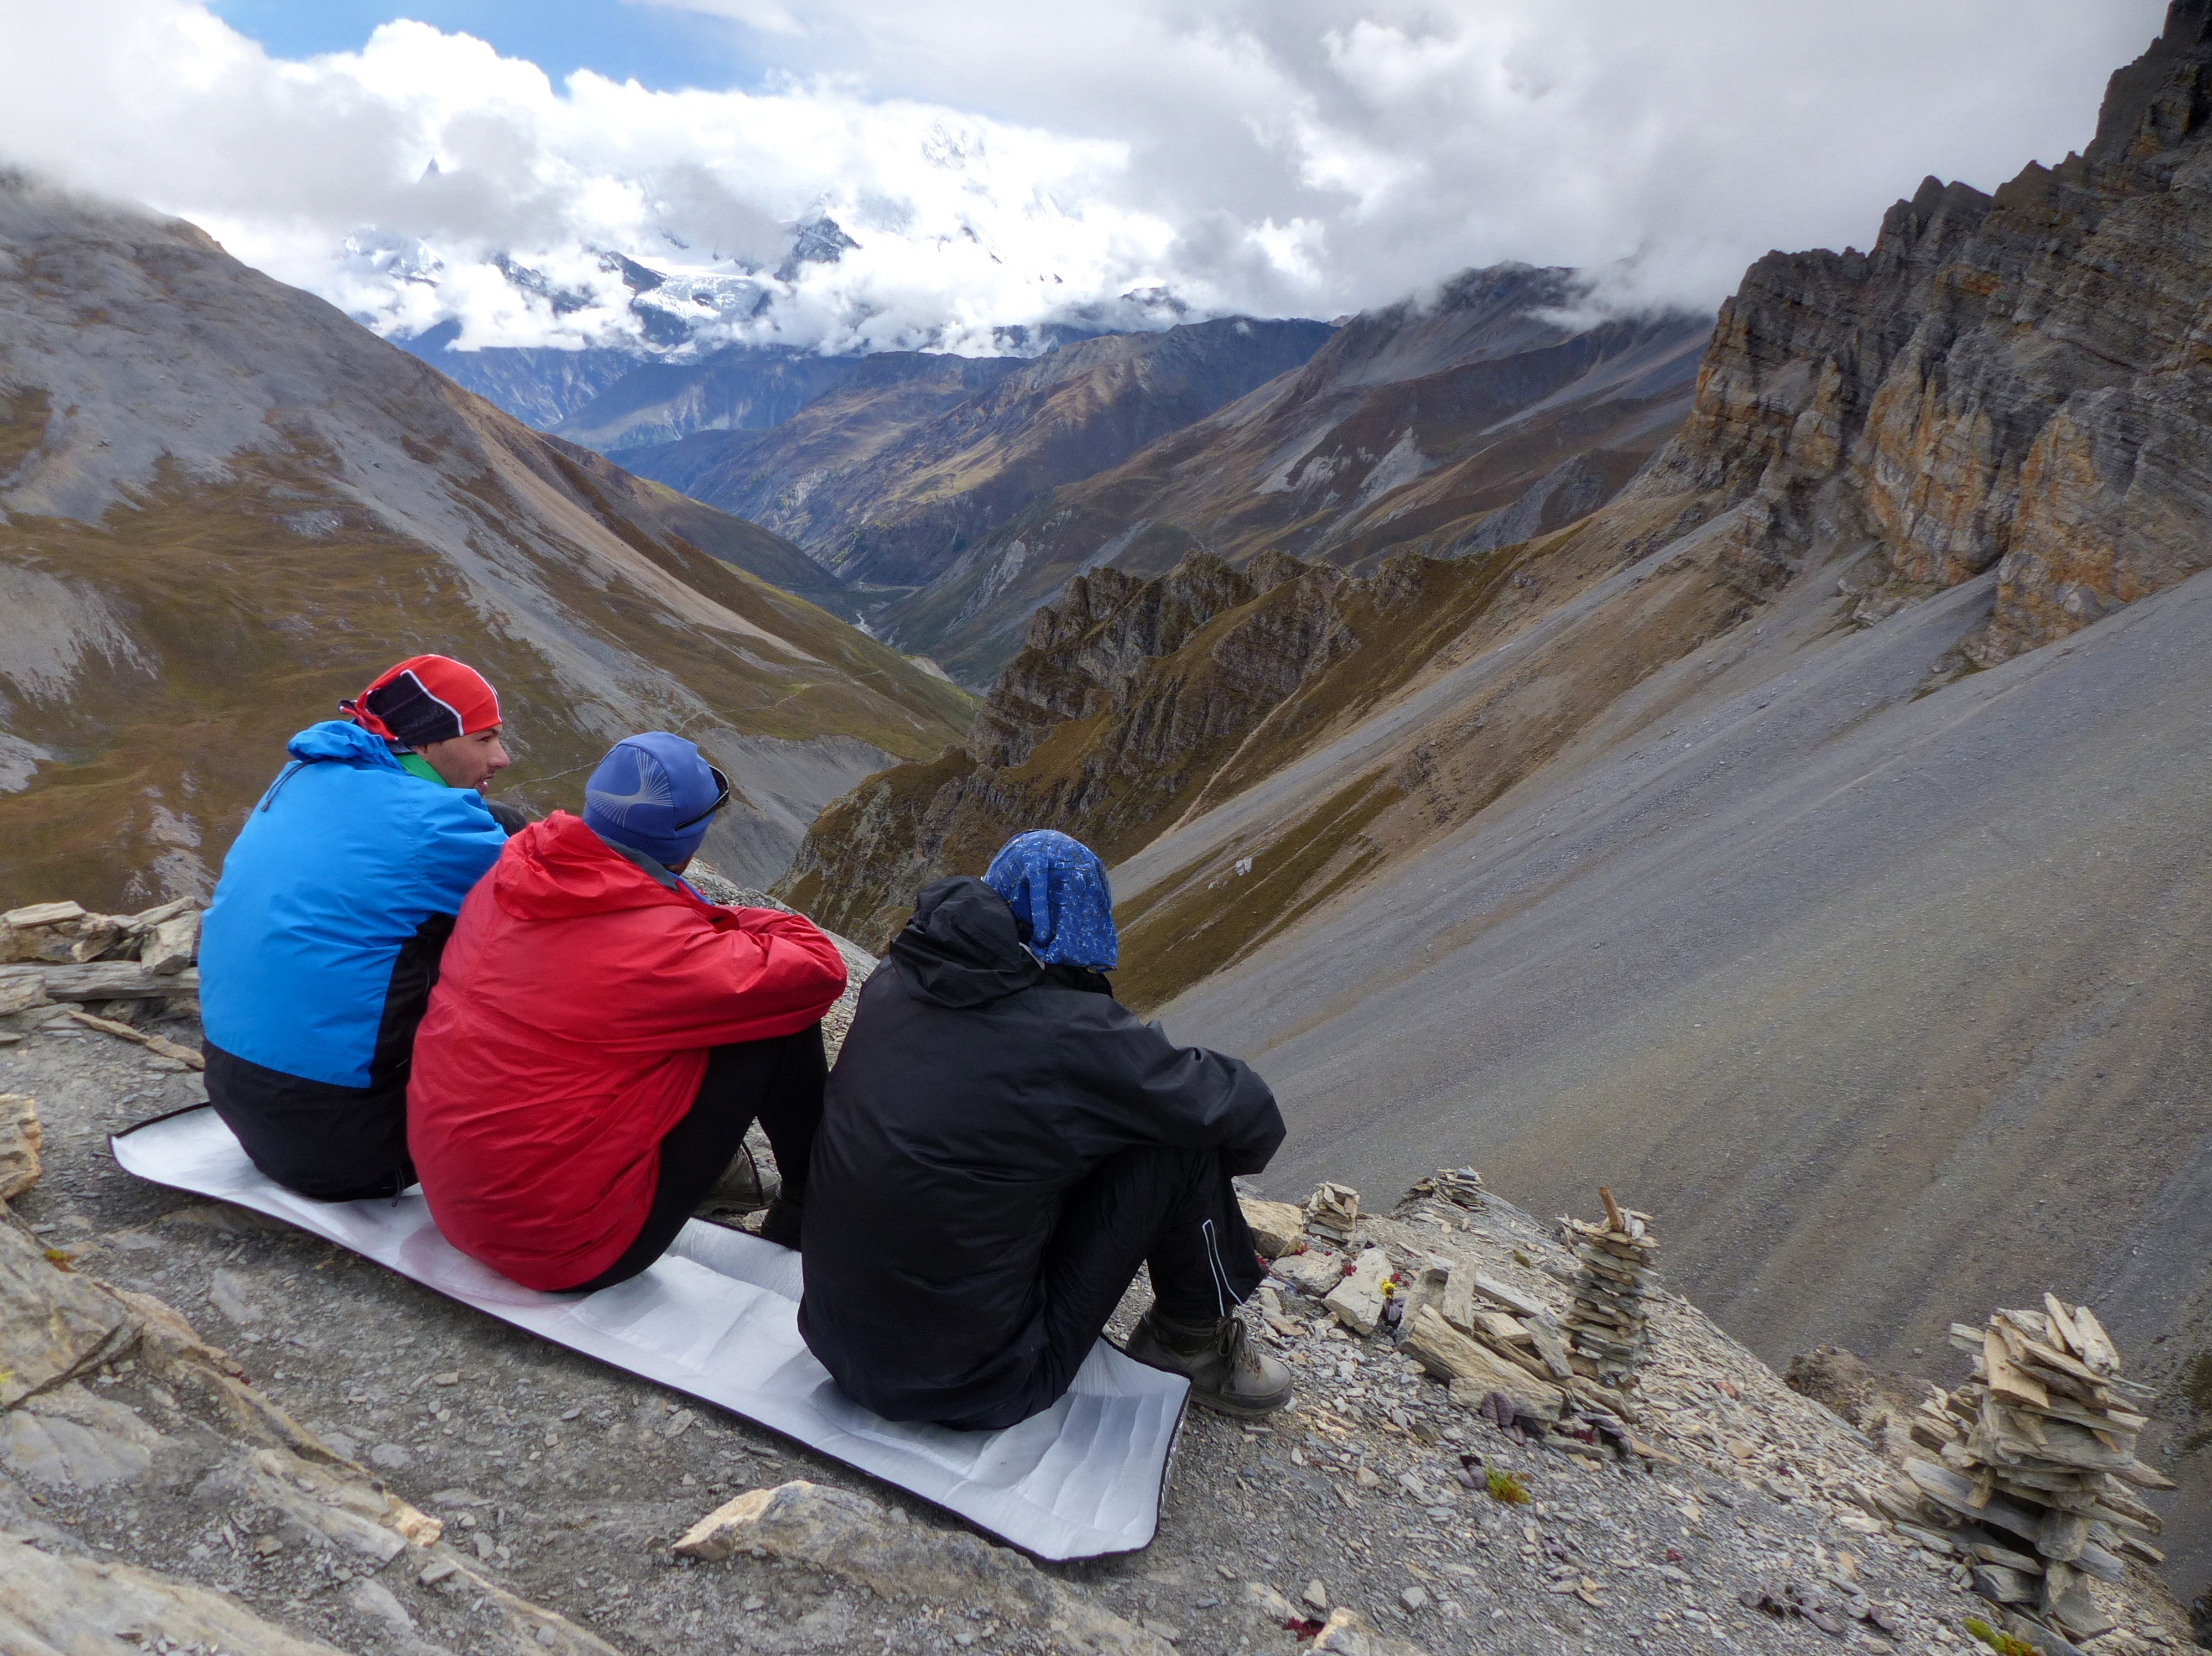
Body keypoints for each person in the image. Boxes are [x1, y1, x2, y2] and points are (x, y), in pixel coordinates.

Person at [799, 829, 1294, 1428]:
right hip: (981, 1383)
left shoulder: (896, 976)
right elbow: (1247, 1111)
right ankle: (1188, 1343)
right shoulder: (1073, 1036)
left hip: (831, 1338)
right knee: (1180, 1141)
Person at [406, 732, 847, 1293]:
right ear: (688, 840)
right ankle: (810, 1211)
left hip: (452, 1201)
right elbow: (819, 966)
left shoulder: (513, 870)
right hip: (562, 1247)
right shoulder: (663, 951)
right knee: (777, 1020)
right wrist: (711, 915)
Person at [199, 654, 517, 1200]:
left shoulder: (304, 775)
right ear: (423, 745)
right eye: (484, 739)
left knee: (491, 835)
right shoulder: (433, 826)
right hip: (351, 1145)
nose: (502, 758)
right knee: (517, 939)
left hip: (238, 1098)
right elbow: (563, 900)